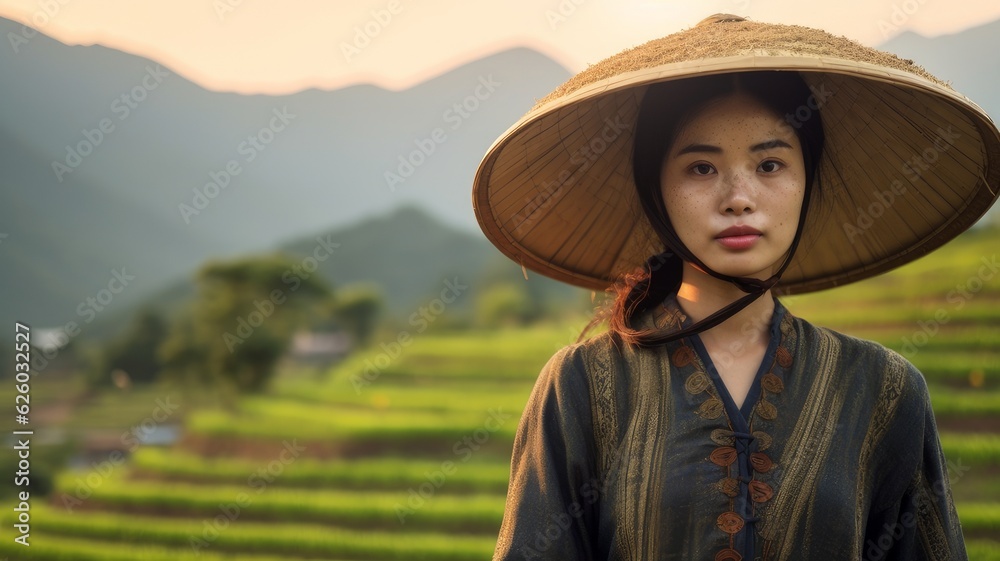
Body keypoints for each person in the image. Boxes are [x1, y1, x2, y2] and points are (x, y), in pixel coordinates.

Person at [472, 14, 1000, 561]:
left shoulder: (885, 391)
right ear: (658, 190)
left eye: (770, 164)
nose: (738, 197)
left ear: (806, 183)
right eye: (701, 168)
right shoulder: (581, 385)